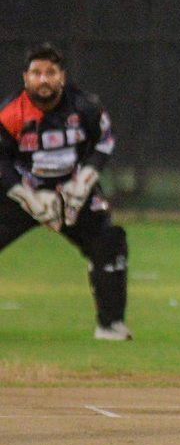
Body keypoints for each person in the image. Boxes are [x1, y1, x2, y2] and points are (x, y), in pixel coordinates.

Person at [0, 43, 132, 341]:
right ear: (25, 78)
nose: (43, 79)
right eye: (36, 73)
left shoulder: (85, 106)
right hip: (23, 191)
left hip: (72, 192)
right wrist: (26, 196)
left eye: (51, 72)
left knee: (109, 242)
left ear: (62, 76)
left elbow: (104, 141)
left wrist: (83, 181)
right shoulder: (10, 113)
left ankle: (110, 325)